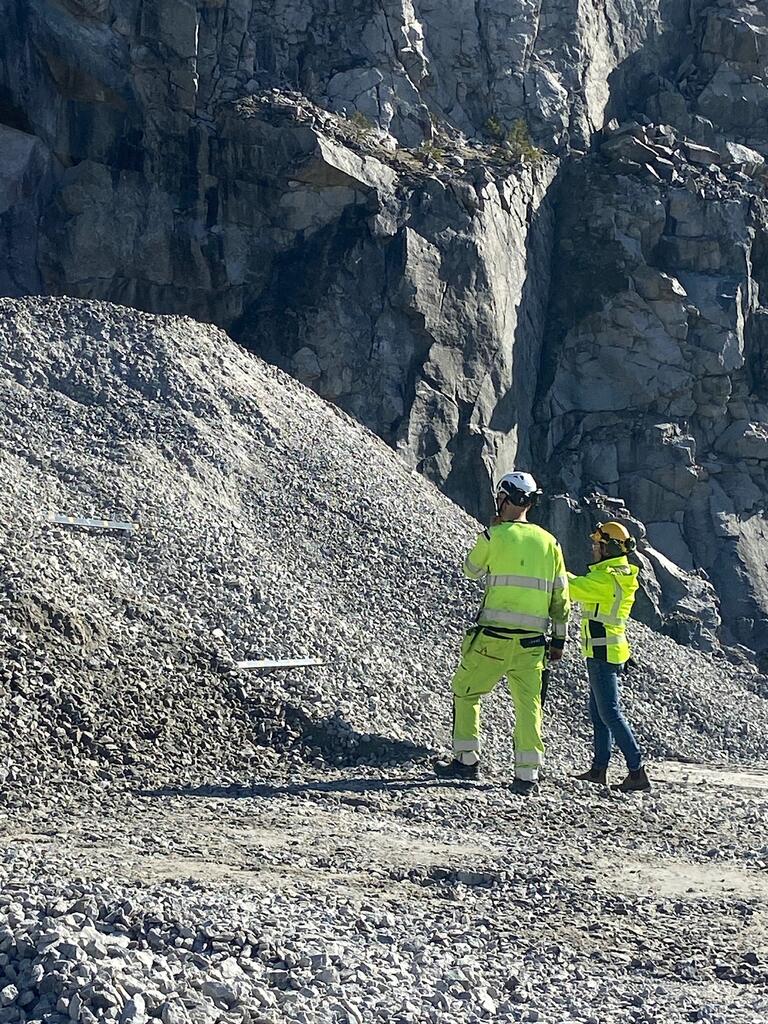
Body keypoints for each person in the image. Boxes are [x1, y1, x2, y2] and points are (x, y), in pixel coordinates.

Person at [434, 472, 570, 796]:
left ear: (504, 499)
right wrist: (559, 641)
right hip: (533, 645)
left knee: (466, 692)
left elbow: (470, 571)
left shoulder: (494, 537)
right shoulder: (550, 543)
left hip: (492, 641)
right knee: (529, 706)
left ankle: (466, 761)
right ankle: (527, 777)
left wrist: (492, 532)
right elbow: (561, 599)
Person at [568, 521, 650, 792]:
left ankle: (637, 772)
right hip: (607, 650)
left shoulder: (606, 579)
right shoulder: (616, 575)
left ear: (608, 548)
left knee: (610, 713)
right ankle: (599, 770)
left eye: (597, 545)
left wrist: (551, 567)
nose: (593, 549)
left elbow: (571, 587)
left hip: (603, 652)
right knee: (599, 712)